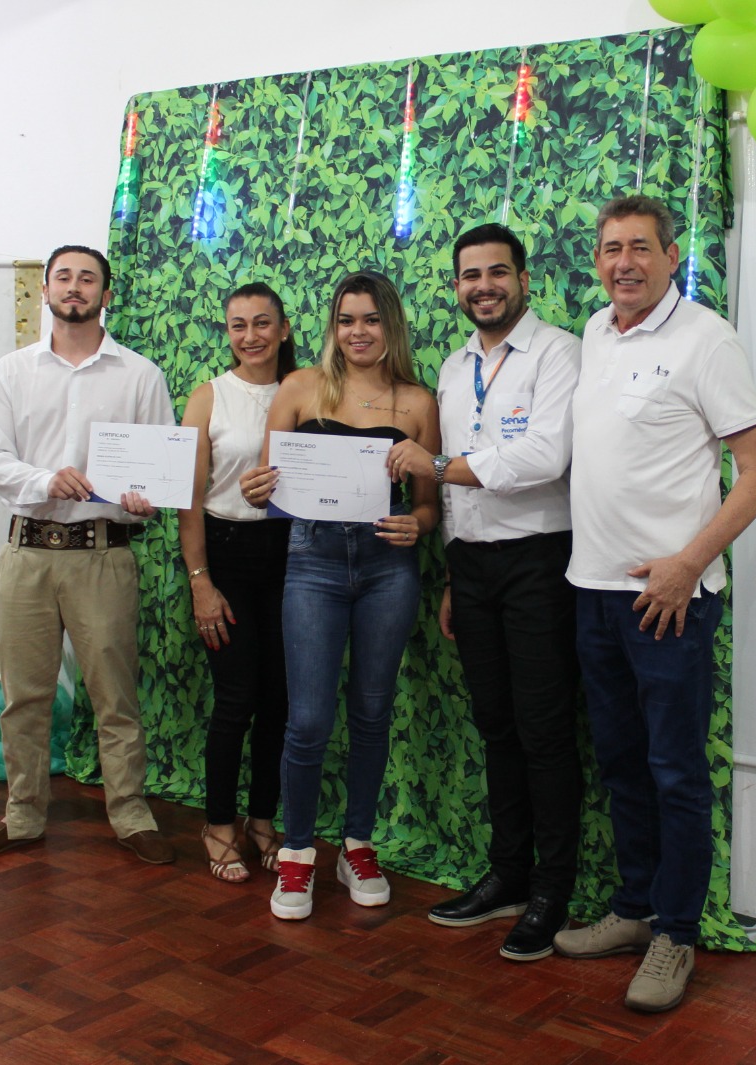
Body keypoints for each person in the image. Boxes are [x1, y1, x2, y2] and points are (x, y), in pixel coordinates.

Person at [553, 196, 756, 1013]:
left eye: (641, 247)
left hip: (668, 602)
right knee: (620, 763)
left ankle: (676, 932)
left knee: (675, 770)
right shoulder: (594, 332)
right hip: (593, 591)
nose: (625, 262)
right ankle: (635, 907)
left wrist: (689, 563)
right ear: (597, 260)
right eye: (612, 248)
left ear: (672, 255)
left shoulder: (706, 339)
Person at [386, 223, 582, 962]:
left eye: (497, 272)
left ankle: (552, 890)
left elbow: (545, 456)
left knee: (544, 730)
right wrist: (451, 571)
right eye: (471, 276)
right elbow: (458, 492)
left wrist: (436, 465)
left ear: (523, 280)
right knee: (496, 725)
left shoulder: (558, 352)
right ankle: (507, 874)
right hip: (472, 566)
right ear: (457, 287)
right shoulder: (452, 365)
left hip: (539, 561)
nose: (484, 287)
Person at [0, 244, 177, 865]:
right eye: (64, 277)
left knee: (115, 696)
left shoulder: (140, 375)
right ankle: (23, 816)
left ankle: (130, 814)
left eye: (88, 278)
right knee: (23, 697)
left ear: (105, 294)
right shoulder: (12, 371)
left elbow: (158, 470)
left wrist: (146, 498)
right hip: (27, 554)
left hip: (102, 555)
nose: (75, 287)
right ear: (46, 291)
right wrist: (45, 480)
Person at [242, 270, 439, 921]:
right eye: (347, 319)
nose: (358, 331)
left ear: (391, 326)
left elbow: (429, 506)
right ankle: (298, 850)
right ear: (333, 327)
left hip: (388, 567)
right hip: (314, 562)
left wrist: (418, 524)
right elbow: (268, 484)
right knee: (308, 719)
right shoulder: (300, 388)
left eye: (371, 319)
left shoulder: (418, 402)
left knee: (372, 712)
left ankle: (357, 843)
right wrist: (256, 488)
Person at [178, 282, 297, 882]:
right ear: (227, 333)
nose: (250, 336)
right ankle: (218, 823)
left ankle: (262, 819)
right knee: (236, 698)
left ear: (283, 329)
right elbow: (188, 499)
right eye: (238, 325)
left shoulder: (306, 390)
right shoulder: (208, 397)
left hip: (291, 555)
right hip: (225, 555)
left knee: (280, 698)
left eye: (262, 323)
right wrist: (201, 582)